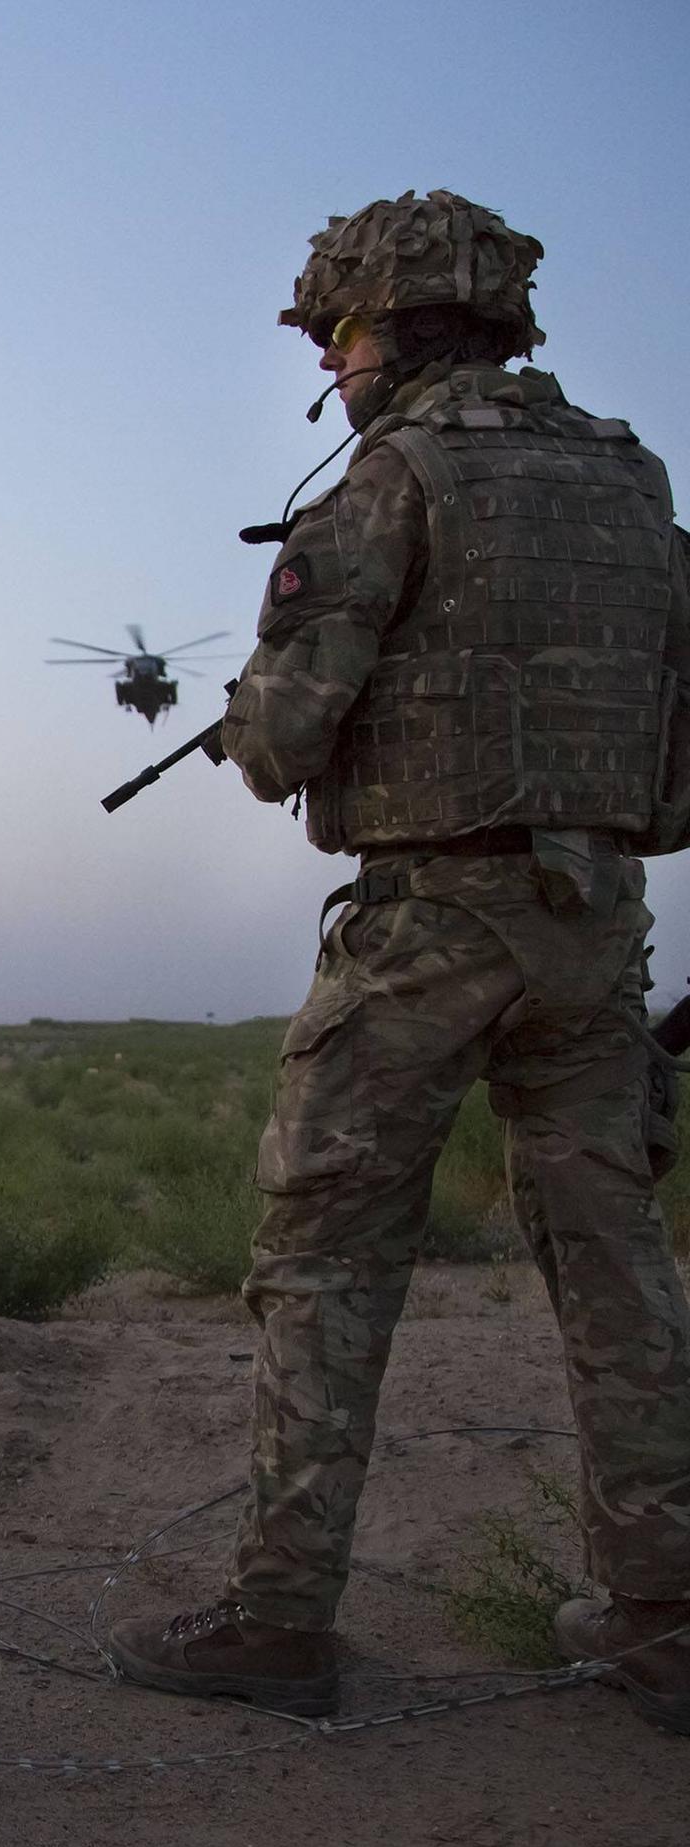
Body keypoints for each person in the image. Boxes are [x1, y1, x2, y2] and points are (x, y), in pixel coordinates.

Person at [107, 191, 690, 1732]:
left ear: (404, 326)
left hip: (430, 926)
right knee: (618, 1269)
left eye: (343, 334)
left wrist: (257, 704)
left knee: (324, 1260)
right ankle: (665, 1618)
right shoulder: (635, 481)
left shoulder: (396, 478)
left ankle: (278, 1620)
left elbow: (282, 743)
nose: (333, 363)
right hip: (597, 931)